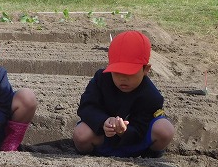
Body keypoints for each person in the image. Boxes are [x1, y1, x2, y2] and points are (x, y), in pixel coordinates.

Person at [73, 30, 175, 158]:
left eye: (130, 73)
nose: (123, 79)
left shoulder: (152, 96)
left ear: (146, 69)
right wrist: (103, 121)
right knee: (81, 133)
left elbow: (141, 129)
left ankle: (151, 155)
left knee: (165, 129)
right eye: (116, 72)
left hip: (136, 143)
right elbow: (86, 107)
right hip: (104, 139)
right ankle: (91, 154)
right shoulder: (101, 79)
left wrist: (124, 132)